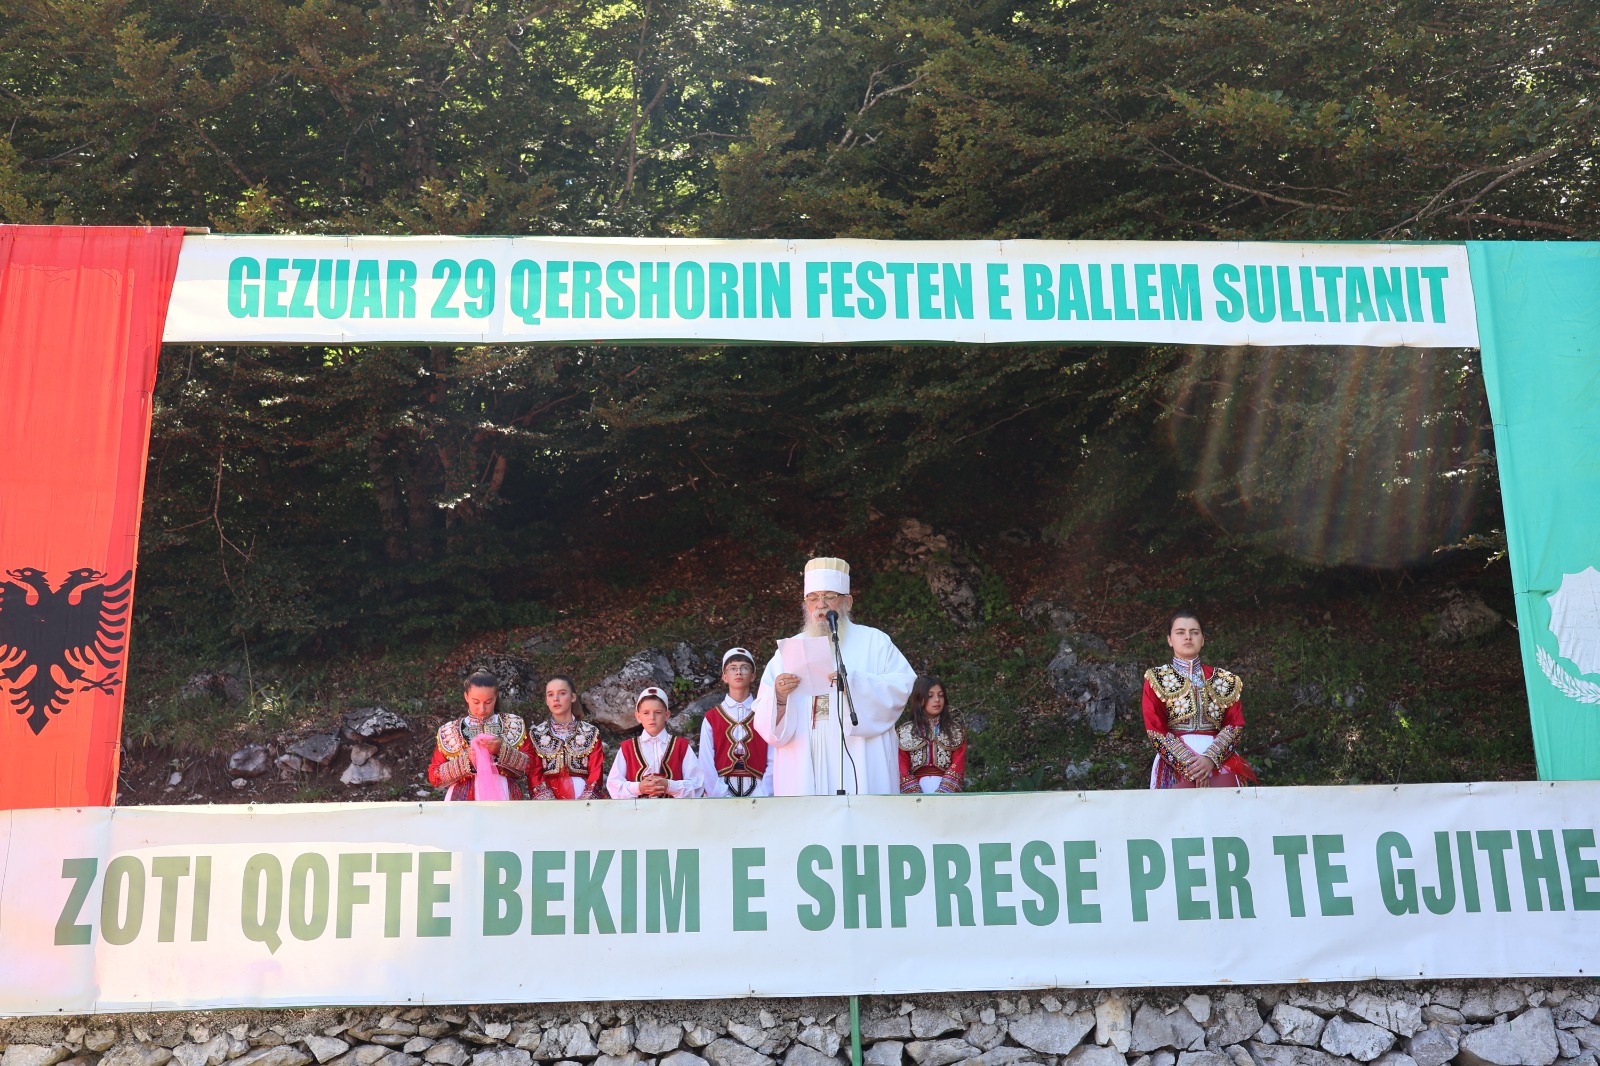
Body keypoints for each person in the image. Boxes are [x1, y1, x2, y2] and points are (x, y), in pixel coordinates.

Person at [752, 557, 917, 795]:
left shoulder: (874, 641)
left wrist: (854, 684)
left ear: (847, 601)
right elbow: (763, 710)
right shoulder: (789, 649)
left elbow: (901, 684)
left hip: (858, 750)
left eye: (829, 596)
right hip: (804, 752)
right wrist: (779, 696)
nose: (821, 605)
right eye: (813, 598)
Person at [1143, 610, 1258, 789]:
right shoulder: (1157, 679)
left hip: (1219, 761)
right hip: (1174, 763)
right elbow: (1156, 729)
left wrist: (1210, 758)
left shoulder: (1224, 680)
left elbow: (1235, 724)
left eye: (1194, 632)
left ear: (1203, 639)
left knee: (1226, 807)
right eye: (1180, 632)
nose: (1188, 637)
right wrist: (1190, 766)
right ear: (1170, 639)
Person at [426, 671, 536, 800]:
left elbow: (530, 766)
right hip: (463, 800)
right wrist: (466, 761)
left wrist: (501, 750)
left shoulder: (512, 724)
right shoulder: (450, 730)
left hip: (505, 795)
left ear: (496, 697)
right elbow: (435, 776)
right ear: (466, 697)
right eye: (476, 702)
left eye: (488, 702)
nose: (482, 709)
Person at [699, 647, 774, 798]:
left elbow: (773, 758)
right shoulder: (712, 718)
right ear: (724, 677)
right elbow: (705, 762)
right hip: (721, 788)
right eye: (733, 668)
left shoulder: (764, 713)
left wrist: (763, 794)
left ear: (753, 676)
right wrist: (720, 795)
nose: (738, 672)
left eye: (744, 668)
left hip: (759, 789)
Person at [607, 687, 705, 798]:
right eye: (646, 713)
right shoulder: (627, 748)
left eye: (658, 712)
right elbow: (613, 785)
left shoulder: (681, 746)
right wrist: (639, 788)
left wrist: (669, 786)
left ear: (667, 715)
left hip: (674, 809)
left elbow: (698, 784)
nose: (652, 718)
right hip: (637, 809)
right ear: (638, 716)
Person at [530, 674, 606, 799]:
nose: (556, 699)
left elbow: (596, 771)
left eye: (562, 693)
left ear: (573, 697)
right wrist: (548, 802)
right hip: (548, 799)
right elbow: (534, 774)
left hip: (583, 797)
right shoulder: (536, 734)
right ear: (547, 701)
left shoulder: (590, 733)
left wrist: (586, 801)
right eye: (550, 695)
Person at [897, 674, 967, 794]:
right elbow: (901, 764)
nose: (937, 700)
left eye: (941, 695)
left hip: (947, 792)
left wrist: (944, 792)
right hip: (914, 791)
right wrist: (915, 794)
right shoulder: (905, 731)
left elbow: (958, 763)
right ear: (920, 699)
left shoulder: (955, 731)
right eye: (930, 696)